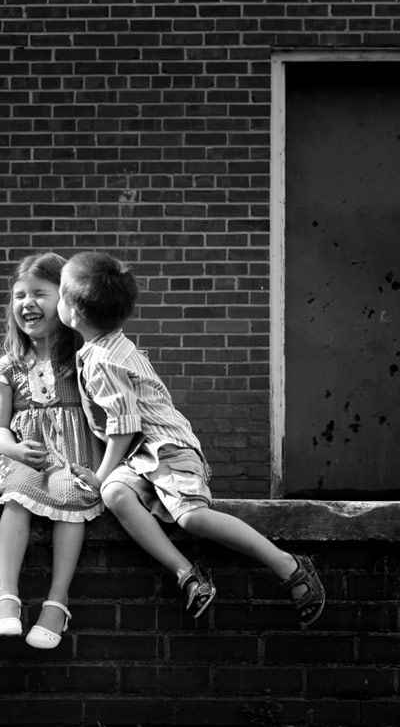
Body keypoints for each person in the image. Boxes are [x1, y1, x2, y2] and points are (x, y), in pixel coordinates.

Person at [56, 251, 325, 625]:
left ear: (74, 313)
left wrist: (100, 474)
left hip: (167, 449)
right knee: (115, 494)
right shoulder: (105, 346)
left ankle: (289, 565)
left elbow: (125, 425)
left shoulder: (104, 361)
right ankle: (188, 574)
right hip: (140, 458)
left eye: (59, 296)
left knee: (191, 518)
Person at [0, 252, 104, 649]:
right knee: (18, 493)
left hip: (73, 458)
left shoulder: (82, 359)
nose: (27, 303)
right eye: (20, 295)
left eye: (39, 293)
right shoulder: (9, 366)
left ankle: (56, 603)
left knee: (72, 495)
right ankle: (7, 596)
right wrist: (16, 451)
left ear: (67, 301)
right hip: (21, 457)